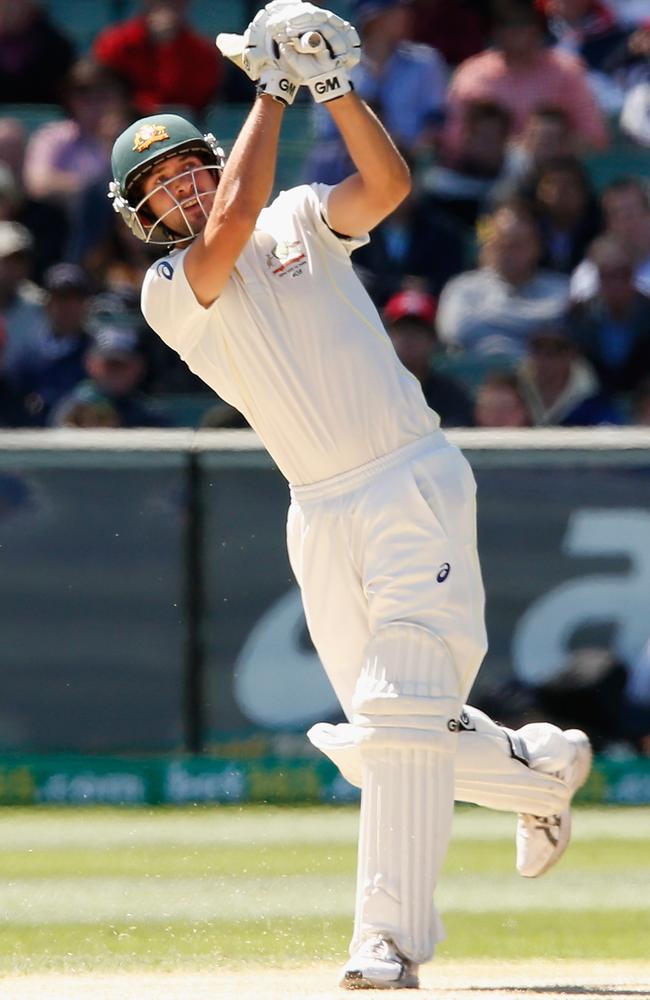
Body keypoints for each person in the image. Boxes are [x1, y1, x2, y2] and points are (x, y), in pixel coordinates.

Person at [108, 2, 591, 988]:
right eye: (160, 189)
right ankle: (537, 770)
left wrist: (332, 88)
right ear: (143, 217)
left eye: (189, 170)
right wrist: (273, 89)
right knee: (383, 737)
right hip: (318, 509)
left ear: (212, 158)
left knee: (396, 708)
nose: (185, 195)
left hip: (405, 474)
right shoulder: (170, 287)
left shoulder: (294, 217)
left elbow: (386, 185)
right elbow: (232, 218)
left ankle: (388, 941)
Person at [304, 0, 449, 184]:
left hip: (411, 166)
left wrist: (404, 151)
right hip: (351, 165)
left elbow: (436, 122)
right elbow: (327, 129)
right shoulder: (336, 66)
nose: (406, 15)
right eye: (395, 11)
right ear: (374, 17)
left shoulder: (425, 62)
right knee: (324, 158)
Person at [444, 0, 609, 155]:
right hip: (483, 177)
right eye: (504, 22)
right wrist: (503, 151)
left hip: (546, 176)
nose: (513, 31)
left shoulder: (566, 71)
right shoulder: (472, 73)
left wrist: (548, 145)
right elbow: (452, 138)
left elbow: (594, 137)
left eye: (522, 21)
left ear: (538, 26)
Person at [436, 199, 570, 357]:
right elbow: (457, 331)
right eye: (500, 243)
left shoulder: (561, 287)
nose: (507, 252)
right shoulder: (461, 287)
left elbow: (563, 329)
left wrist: (487, 316)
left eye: (517, 245)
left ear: (537, 247)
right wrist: (536, 322)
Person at [93, 0, 223, 116]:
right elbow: (105, 93)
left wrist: (167, 48)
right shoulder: (114, 43)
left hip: (180, 131)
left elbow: (197, 102)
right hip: (123, 127)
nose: (165, 4)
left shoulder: (204, 52)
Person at [10, 262, 92, 425]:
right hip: (35, 443)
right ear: (46, 304)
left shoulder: (96, 353)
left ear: (85, 304)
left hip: (86, 443)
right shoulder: (28, 355)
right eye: (60, 298)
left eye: (75, 299)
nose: (67, 307)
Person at [568, 234, 650, 396]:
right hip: (594, 402)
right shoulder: (578, 316)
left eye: (623, 274)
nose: (616, 283)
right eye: (607, 275)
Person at [382, 288, 475, 425]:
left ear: (433, 340)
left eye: (417, 332)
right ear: (386, 337)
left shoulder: (452, 394)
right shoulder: (371, 388)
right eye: (401, 331)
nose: (408, 340)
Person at [517, 322, 623, 425]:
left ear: (572, 354)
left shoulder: (594, 399)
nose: (544, 359)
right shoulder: (515, 389)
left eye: (555, 351)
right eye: (538, 349)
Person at [570, 176, 650, 301]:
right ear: (607, 225)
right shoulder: (590, 271)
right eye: (617, 213)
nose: (628, 221)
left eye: (634, 211)